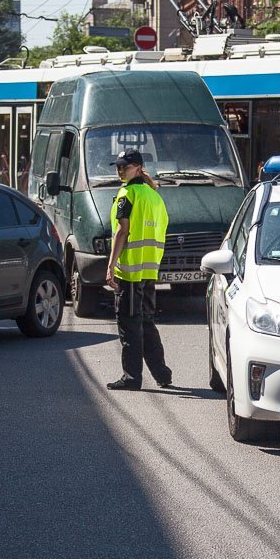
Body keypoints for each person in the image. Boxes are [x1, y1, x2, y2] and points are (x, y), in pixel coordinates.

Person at [104, 150, 174, 391]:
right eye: (118, 166)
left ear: (137, 167)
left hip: (130, 272)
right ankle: (162, 374)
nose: (119, 170)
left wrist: (111, 264)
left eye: (124, 166)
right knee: (145, 323)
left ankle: (132, 378)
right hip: (148, 270)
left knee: (130, 326)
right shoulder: (154, 196)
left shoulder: (127, 194)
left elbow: (122, 231)